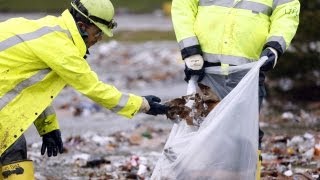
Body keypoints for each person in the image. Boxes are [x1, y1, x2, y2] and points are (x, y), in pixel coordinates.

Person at [0, 0, 169, 179]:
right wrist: (143, 104)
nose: (99, 39)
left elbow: (30, 91)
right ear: (81, 26)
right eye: (97, 33)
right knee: (13, 152)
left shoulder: (50, 30)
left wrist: (48, 126)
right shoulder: (61, 47)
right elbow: (93, 88)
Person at [171, 0, 300, 179]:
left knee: (246, 134)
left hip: (249, 69)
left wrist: (275, 46)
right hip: (204, 67)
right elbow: (183, 7)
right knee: (200, 130)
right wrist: (190, 49)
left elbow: (287, 12)